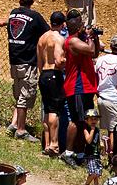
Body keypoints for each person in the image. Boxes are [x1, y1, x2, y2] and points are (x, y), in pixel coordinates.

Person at [7, 0, 49, 140]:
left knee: (19, 94)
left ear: (19, 0)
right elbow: (47, 32)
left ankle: (14, 123)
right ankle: (21, 130)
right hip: (27, 61)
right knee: (25, 95)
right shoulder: (34, 16)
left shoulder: (12, 13)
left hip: (14, 59)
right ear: (33, 1)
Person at [64, 14, 102, 164]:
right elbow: (91, 51)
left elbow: (95, 52)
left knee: (85, 121)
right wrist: (90, 37)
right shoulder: (72, 41)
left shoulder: (80, 41)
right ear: (79, 28)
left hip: (85, 87)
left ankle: (80, 154)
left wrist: (95, 38)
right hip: (77, 86)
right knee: (76, 121)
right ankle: (68, 152)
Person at [39, 10, 68, 156]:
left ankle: (47, 143)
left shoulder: (42, 38)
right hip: (54, 75)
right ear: (63, 24)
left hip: (43, 74)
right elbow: (58, 61)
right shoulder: (58, 38)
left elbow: (39, 61)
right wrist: (67, 60)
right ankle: (54, 144)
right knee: (54, 111)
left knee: (46, 109)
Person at [96, 36, 117, 154]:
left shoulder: (101, 59)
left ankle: (109, 152)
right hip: (114, 100)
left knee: (110, 130)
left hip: (101, 99)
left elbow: (95, 76)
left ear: (110, 46)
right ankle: (115, 157)